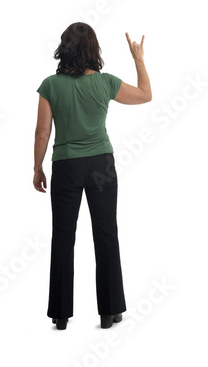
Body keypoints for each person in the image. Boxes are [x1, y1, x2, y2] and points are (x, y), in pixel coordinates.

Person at [33, 23, 151, 330]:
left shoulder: (50, 85)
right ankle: (109, 313)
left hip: (66, 166)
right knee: (106, 233)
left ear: (63, 48)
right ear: (93, 50)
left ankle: (60, 315)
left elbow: (42, 132)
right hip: (101, 164)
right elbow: (145, 95)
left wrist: (37, 167)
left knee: (62, 237)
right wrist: (138, 58)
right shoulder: (106, 82)